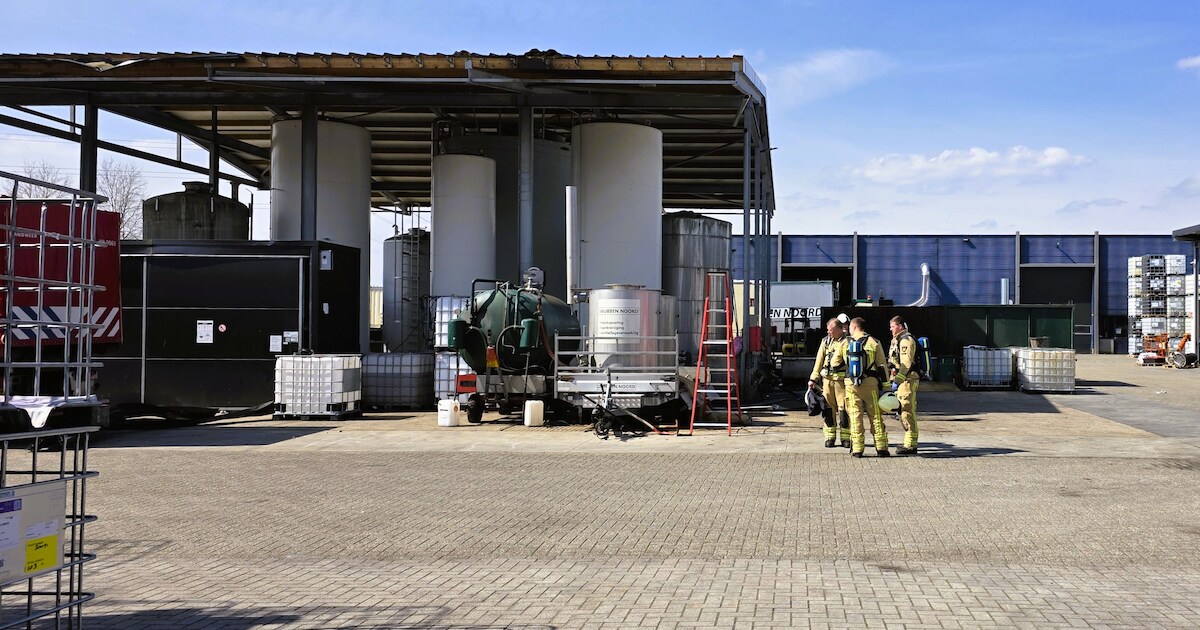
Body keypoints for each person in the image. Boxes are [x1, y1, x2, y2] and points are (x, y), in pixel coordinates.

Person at [841, 317, 890, 458]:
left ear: (855, 327)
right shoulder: (874, 342)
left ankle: (857, 449)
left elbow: (834, 362)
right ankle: (881, 448)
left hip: (851, 385)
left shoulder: (845, 342)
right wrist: (886, 387)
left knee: (855, 415)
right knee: (875, 414)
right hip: (870, 383)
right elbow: (882, 366)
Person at [808, 318, 850, 448]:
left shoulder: (847, 342)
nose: (828, 332)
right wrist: (813, 379)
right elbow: (819, 361)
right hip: (827, 381)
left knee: (844, 410)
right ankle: (830, 437)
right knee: (827, 409)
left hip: (841, 382)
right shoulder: (826, 341)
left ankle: (845, 438)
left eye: (830, 330)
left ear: (839, 329)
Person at [888, 315, 921, 455]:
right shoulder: (898, 340)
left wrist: (897, 381)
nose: (891, 329)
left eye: (892, 326)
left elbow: (906, 363)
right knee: (903, 411)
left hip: (907, 380)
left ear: (900, 326)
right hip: (903, 380)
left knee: (907, 410)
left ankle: (911, 445)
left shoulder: (906, 340)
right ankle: (909, 442)